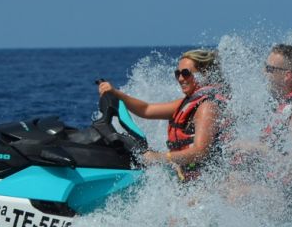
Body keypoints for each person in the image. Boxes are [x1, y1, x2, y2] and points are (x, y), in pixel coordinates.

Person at [98, 49, 230, 182]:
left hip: (210, 182)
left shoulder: (207, 107)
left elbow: (200, 151)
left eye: (186, 73)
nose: (180, 78)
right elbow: (146, 109)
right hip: (190, 179)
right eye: (177, 73)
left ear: (204, 73)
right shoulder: (185, 104)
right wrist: (115, 93)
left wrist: (158, 157)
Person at [228, 44, 292, 216]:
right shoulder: (281, 105)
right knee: (222, 185)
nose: (264, 73)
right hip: (276, 187)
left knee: (237, 195)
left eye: (269, 69)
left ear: (287, 76)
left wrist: (257, 148)